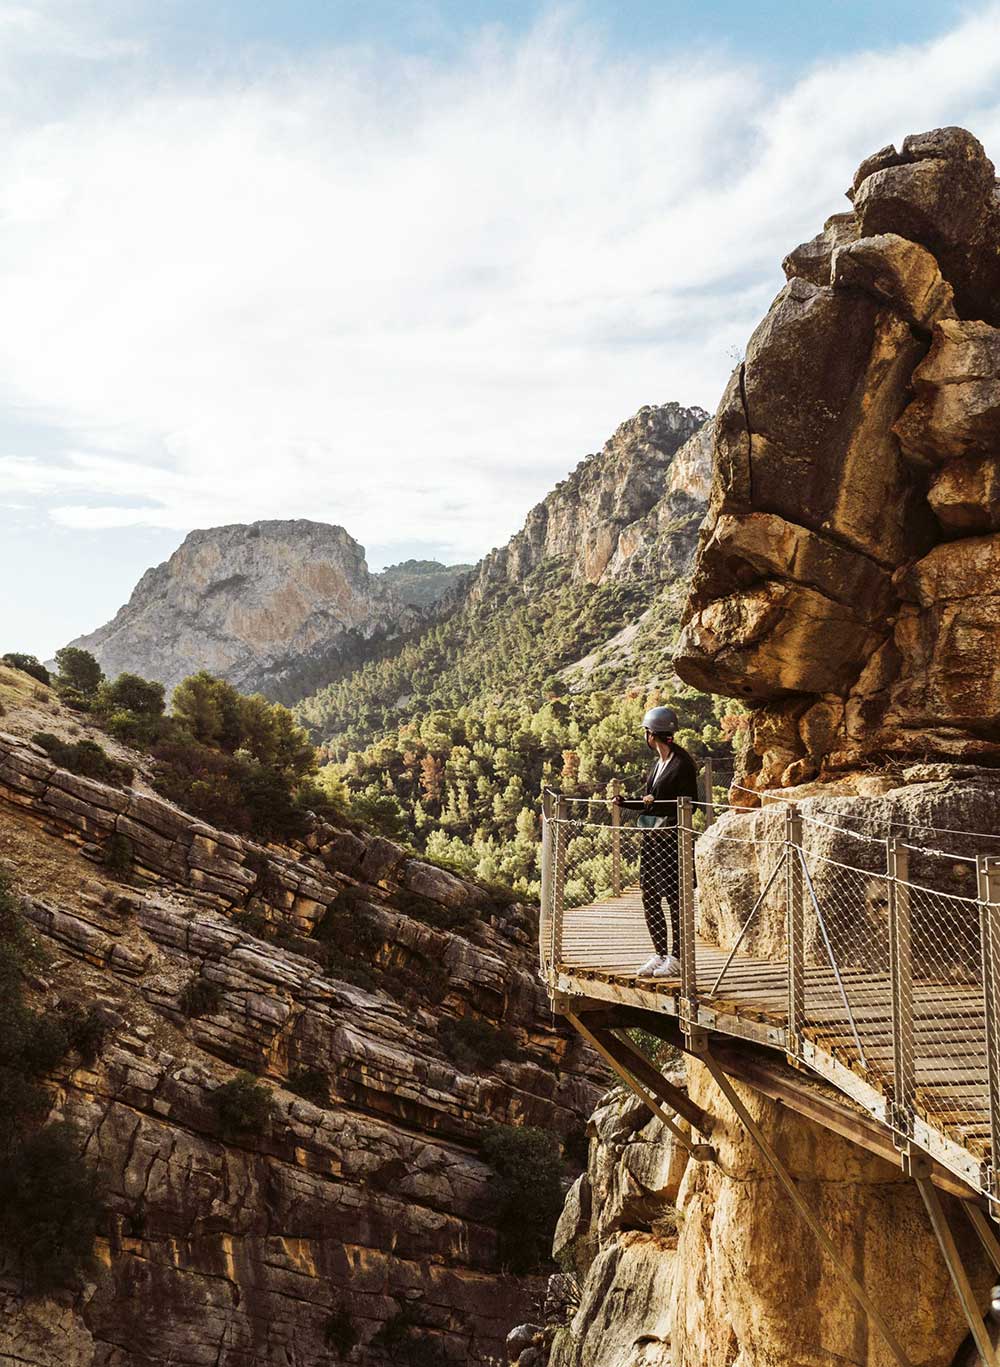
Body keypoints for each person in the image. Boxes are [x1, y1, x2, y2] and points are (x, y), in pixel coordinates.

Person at [613, 706, 698, 978]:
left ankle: (677, 958)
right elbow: (649, 801)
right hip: (653, 839)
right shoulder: (659, 764)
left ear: (652, 734)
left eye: (646, 732)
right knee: (649, 897)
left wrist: (655, 802)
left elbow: (689, 804)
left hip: (672, 840)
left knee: (674, 899)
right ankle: (660, 953)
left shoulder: (681, 765)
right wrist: (626, 802)